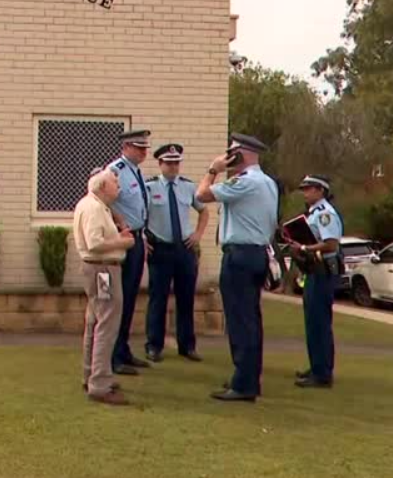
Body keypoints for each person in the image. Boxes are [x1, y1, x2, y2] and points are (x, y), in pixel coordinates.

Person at [195, 134, 279, 402]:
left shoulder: (246, 182)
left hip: (240, 255)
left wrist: (213, 169)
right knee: (251, 319)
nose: (227, 159)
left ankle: (243, 385)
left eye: (231, 154)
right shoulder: (268, 183)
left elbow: (201, 195)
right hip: (256, 254)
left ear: (240, 155)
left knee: (240, 321)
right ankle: (247, 377)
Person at [73, 169, 136, 406]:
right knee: (107, 323)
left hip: (97, 269)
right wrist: (123, 242)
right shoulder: (95, 208)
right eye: (114, 182)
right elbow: (95, 242)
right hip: (102, 270)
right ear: (102, 187)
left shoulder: (93, 205)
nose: (118, 186)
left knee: (95, 321)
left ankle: (91, 374)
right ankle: (99, 383)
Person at [143, 143, 209, 363]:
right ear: (160, 164)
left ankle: (187, 345)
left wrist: (198, 234)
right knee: (157, 299)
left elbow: (204, 211)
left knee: (186, 299)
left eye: (176, 163)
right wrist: (143, 238)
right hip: (160, 248)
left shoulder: (188, 187)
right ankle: (154, 345)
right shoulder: (149, 187)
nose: (173, 167)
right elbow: (138, 214)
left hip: (184, 249)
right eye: (169, 163)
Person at [287, 174, 344, 389]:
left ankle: (322, 373)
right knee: (312, 322)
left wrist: (303, 248)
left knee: (319, 322)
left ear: (321, 190)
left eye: (309, 189)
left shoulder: (325, 214)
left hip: (323, 270)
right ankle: (317, 366)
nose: (305, 192)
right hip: (312, 270)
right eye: (304, 189)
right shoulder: (312, 213)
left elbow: (331, 244)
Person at [107, 129, 153, 376]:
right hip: (124, 239)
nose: (144, 152)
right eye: (139, 147)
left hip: (137, 238)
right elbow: (107, 200)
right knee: (119, 299)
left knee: (130, 297)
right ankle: (114, 356)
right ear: (125, 147)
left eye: (145, 147)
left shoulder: (135, 171)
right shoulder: (115, 170)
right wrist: (121, 223)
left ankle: (123, 349)